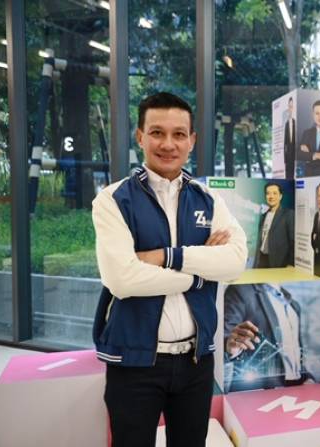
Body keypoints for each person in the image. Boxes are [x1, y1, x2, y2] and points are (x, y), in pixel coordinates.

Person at [91, 92, 247, 447]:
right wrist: (201, 274)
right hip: (134, 363)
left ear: (192, 140)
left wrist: (164, 256)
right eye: (157, 132)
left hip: (196, 361)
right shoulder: (113, 200)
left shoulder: (209, 199)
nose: (168, 144)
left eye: (179, 134)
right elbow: (122, 279)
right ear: (140, 136)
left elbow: (235, 261)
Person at [223, 283, 314, 392]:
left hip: (296, 388)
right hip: (260, 391)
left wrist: (307, 377)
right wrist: (230, 348)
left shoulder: (294, 305)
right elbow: (226, 339)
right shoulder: (241, 291)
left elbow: (295, 353)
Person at [254, 182, 294, 268]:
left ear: (280, 196)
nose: (271, 196)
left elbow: (293, 241)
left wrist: (291, 263)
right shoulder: (263, 216)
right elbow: (260, 242)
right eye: (268, 193)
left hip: (278, 263)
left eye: (275, 193)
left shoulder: (288, 214)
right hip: (261, 260)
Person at [283, 97, 296, 179]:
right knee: (288, 177)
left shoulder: (296, 122)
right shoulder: (287, 123)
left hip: (296, 155)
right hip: (288, 157)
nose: (290, 109)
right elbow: (285, 143)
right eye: (289, 106)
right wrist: (285, 158)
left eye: (291, 106)